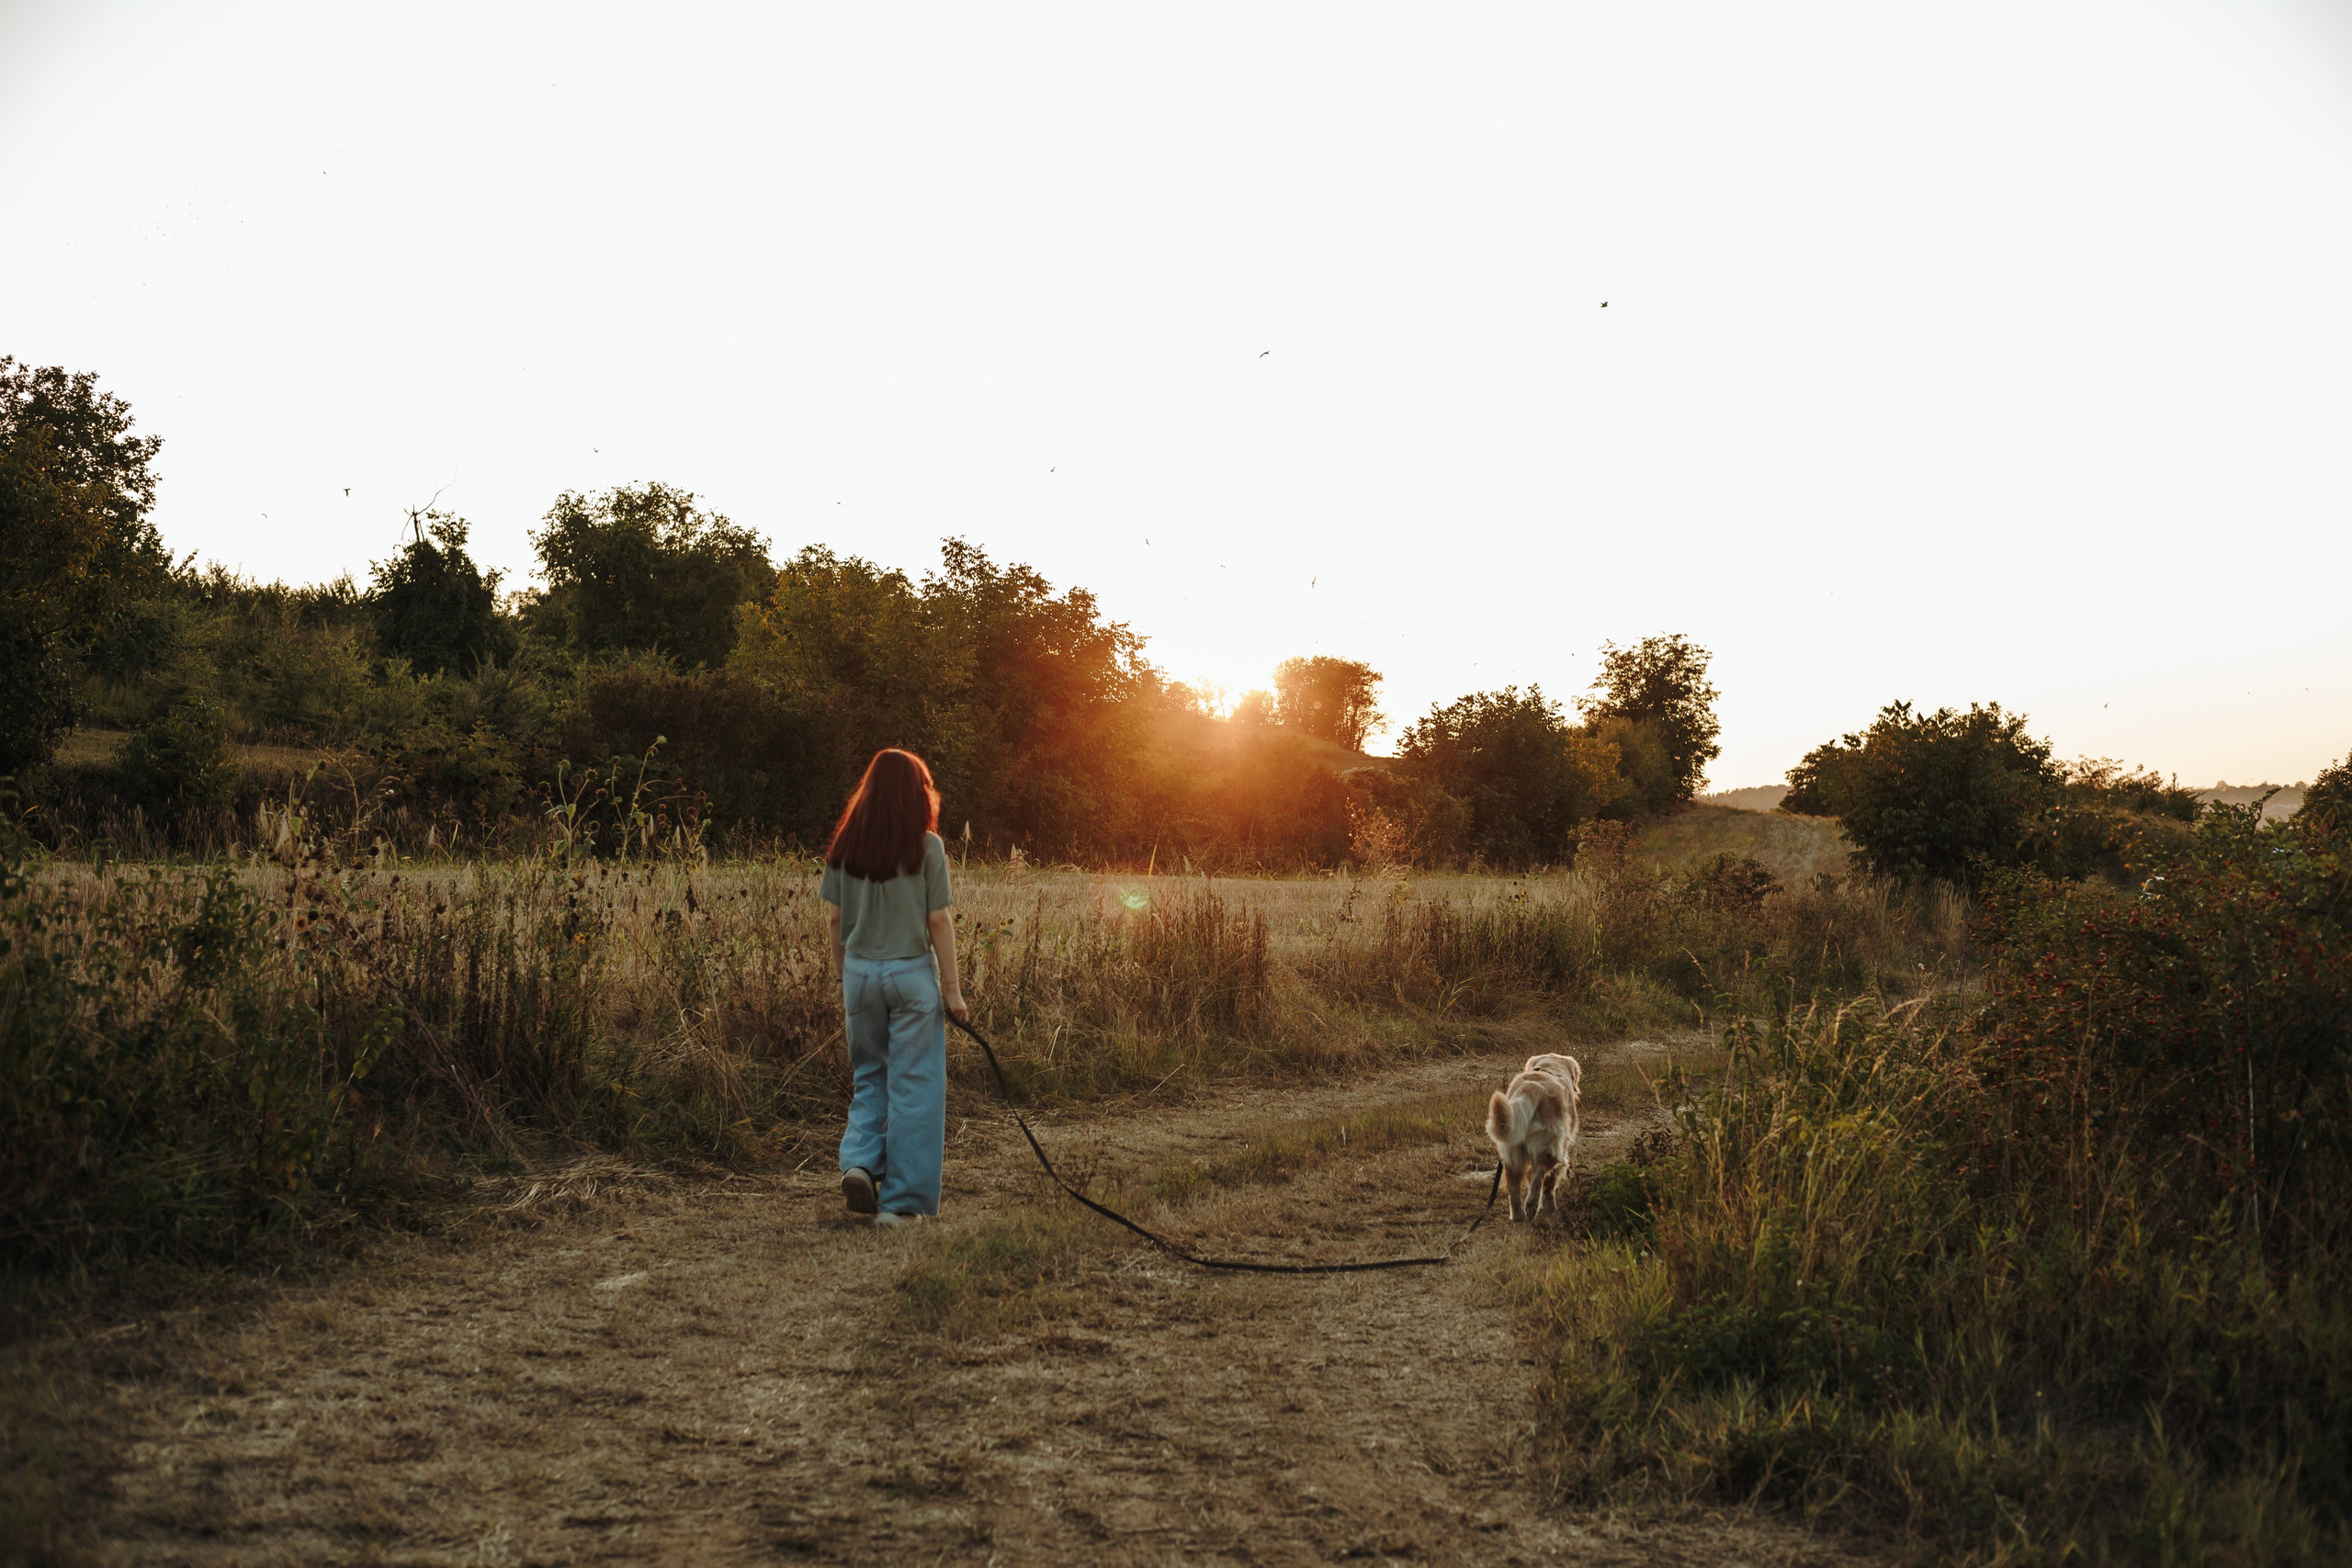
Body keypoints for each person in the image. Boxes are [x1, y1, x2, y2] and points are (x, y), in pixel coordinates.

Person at [820, 748, 967, 1225]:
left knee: (870, 1075)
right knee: (916, 1085)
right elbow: (939, 920)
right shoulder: (927, 847)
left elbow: (835, 919)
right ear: (915, 794)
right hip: (909, 975)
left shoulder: (845, 847)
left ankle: (861, 1162)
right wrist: (953, 991)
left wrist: (845, 976)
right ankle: (901, 1204)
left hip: (860, 974)